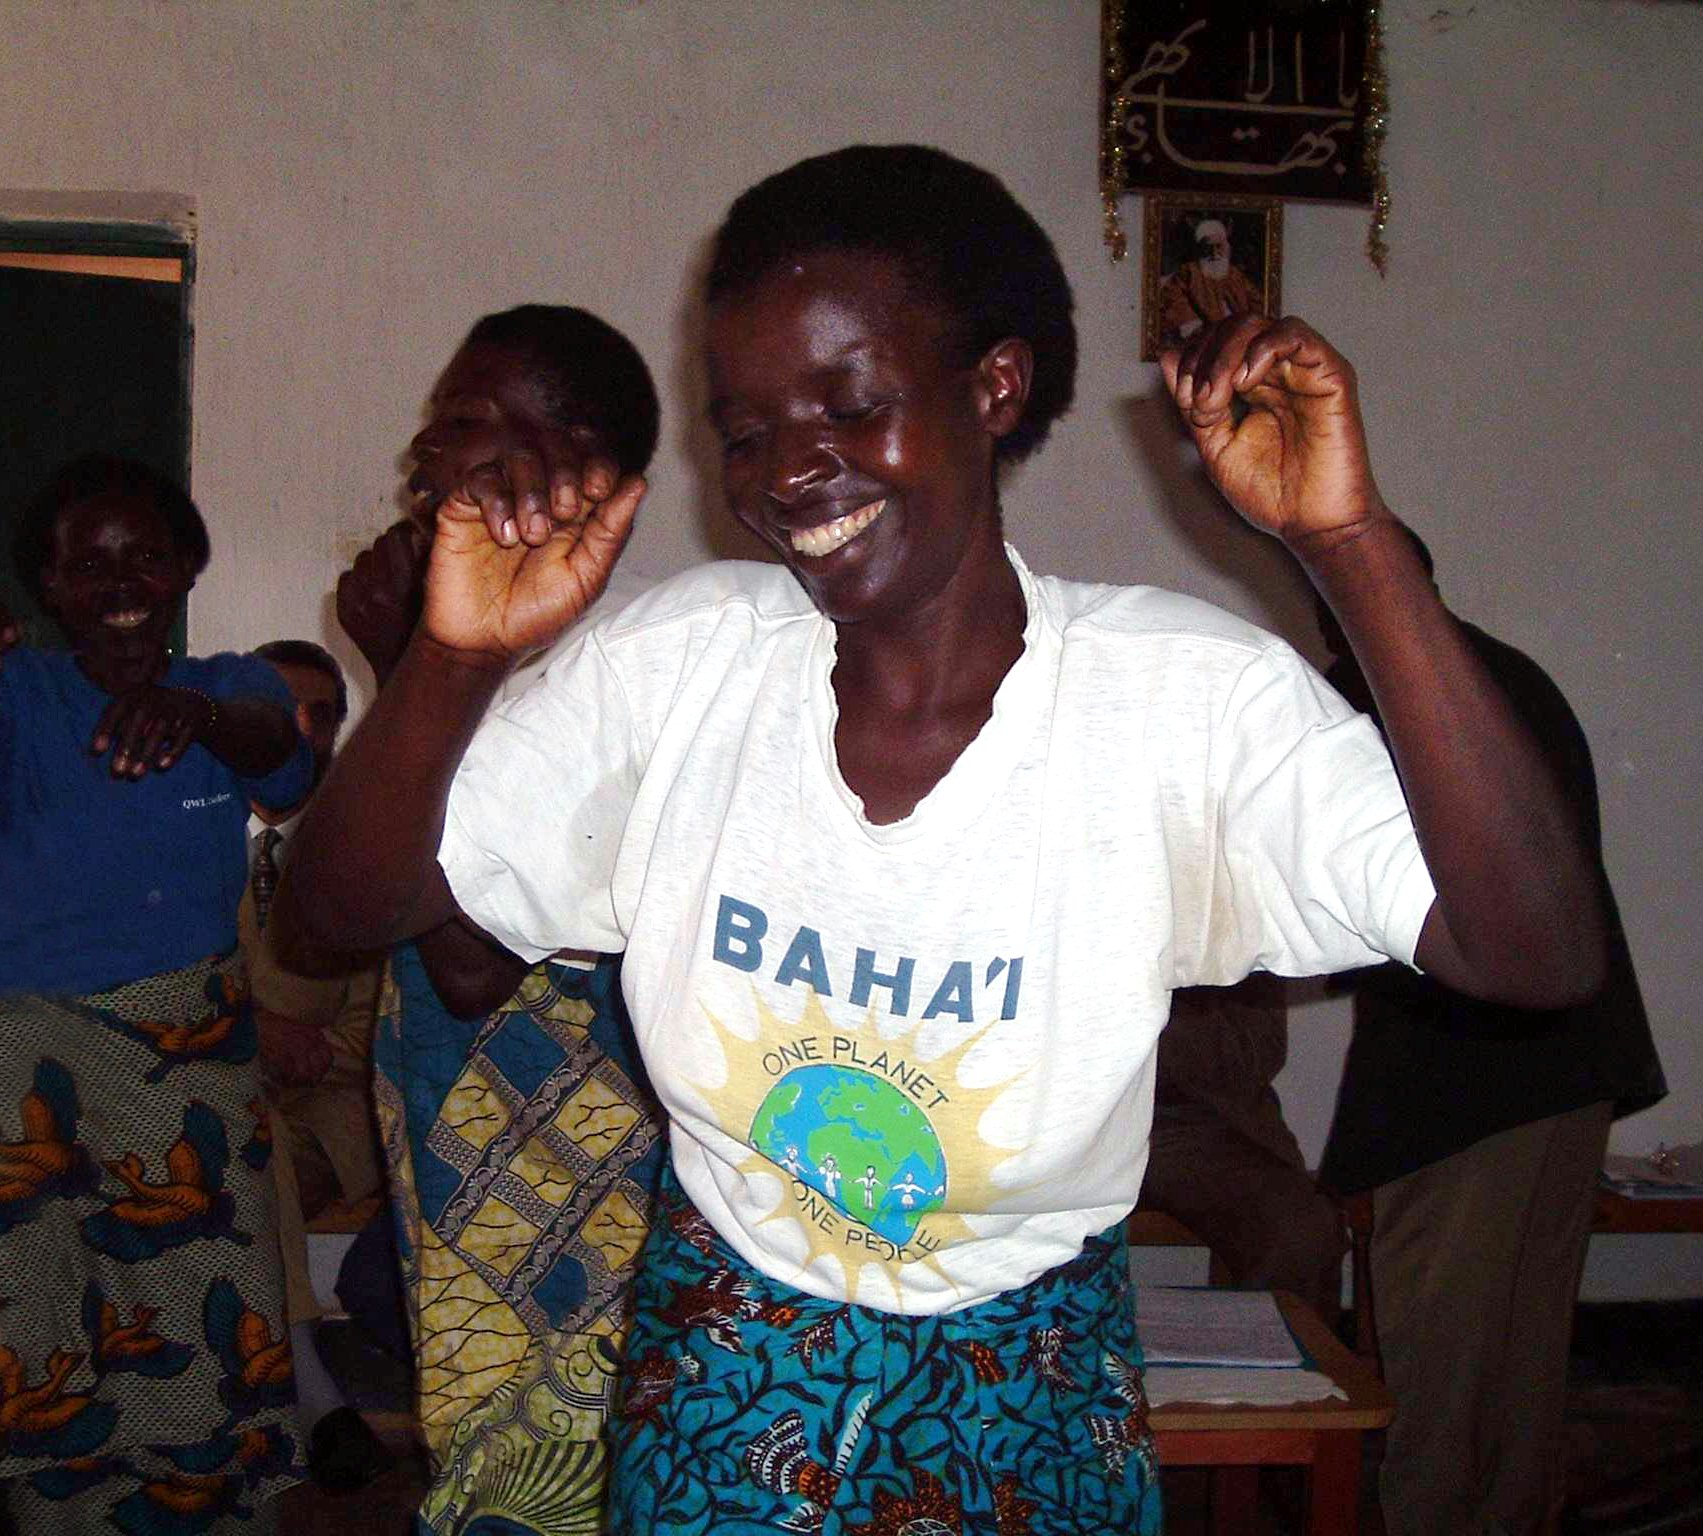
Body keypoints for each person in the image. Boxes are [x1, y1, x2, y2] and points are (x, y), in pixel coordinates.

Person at [278, 145, 1609, 1536]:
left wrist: (1344, 543)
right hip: (727, 1368)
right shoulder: (680, 672)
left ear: (995, 387)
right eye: (743, 430)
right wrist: (449, 655)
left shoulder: (1173, 703)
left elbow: (1532, 953)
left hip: (1024, 1388)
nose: (790, 469)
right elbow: (336, 912)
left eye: (850, 403)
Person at [336, 304, 668, 1534]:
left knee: (547, 1484)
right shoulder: (487, 653)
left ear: (576, 462)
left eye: (468, 426)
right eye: (435, 426)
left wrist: (403, 668)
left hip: (569, 1188)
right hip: (473, 1161)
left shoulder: (619, 676)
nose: (429, 455)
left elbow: (472, 962)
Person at [1316, 534, 1666, 1536]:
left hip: (1459, 1085)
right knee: (1519, 1384)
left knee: (1435, 1390)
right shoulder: (1501, 676)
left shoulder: (1378, 694)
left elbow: (1357, 908)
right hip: (1573, 1064)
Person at [0, 456, 311, 1532]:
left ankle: (208, 1503)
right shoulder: (20, 696)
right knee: (39, 1302)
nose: (119, 581)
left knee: (200, 1289)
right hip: (23, 1061)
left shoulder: (235, 689)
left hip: (184, 1059)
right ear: (48, 588)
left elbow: (286, 765)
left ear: (187, 567)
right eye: (88, 564)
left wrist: (191, 714)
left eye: (143, 555)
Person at [237, 638, 392, 1493]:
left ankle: (301, 1389)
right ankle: (311, 1391)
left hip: (334, 1111)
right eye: (277, 706)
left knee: (245, 1147)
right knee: (230, 1135)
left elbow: (387, 1023)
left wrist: (302, 1046)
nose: (301, 728)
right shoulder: (178, 832)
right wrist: (243, 1035)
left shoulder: (369, 838)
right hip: (210, 1084)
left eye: (322, 713)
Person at [1140, 979, 1346, 1324]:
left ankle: (1279, 1374)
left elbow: (1255, 1049)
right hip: (1072, 1125)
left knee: (1301, 1236)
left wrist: (1131, 1026)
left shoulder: (1228, 924)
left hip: (1207, 1127)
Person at [1157, 216, 1263, 346]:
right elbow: (1172, 297)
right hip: (1201, 339)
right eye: (1208, 247)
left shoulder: (1236, 275)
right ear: (1200, 249)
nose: (1214, 253)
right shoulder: (1189, 271)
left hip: (1236, 339)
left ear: (1227, 248)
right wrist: (1192, 325)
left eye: (1219, 247)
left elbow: (1257, 303)